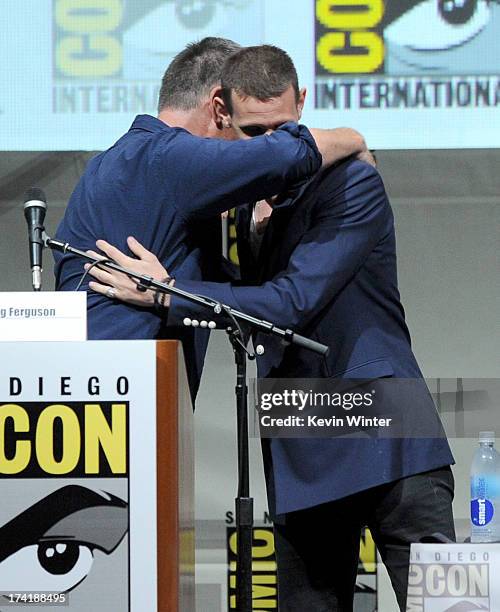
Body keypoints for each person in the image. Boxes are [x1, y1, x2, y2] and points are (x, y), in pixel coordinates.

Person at [85, 46, 455, 611]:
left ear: (303, 104)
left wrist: (167, 294)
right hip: (302, 443)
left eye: (285, 129)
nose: (272, 149)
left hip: (388, 440)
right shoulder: (235, 205)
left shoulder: (353, 184)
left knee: (452, 607)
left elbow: (290, 302)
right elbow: (241, 293)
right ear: (222, 116)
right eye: (255, 133)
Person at [54, 37, 367, 400]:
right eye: (247, 127)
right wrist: (354, 138)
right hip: (116, 389)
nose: (255, 144)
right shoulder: (171, 157)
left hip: (92, 385)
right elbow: (286, 155)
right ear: (219, 108)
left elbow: (227, 289)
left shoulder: (120, 161)